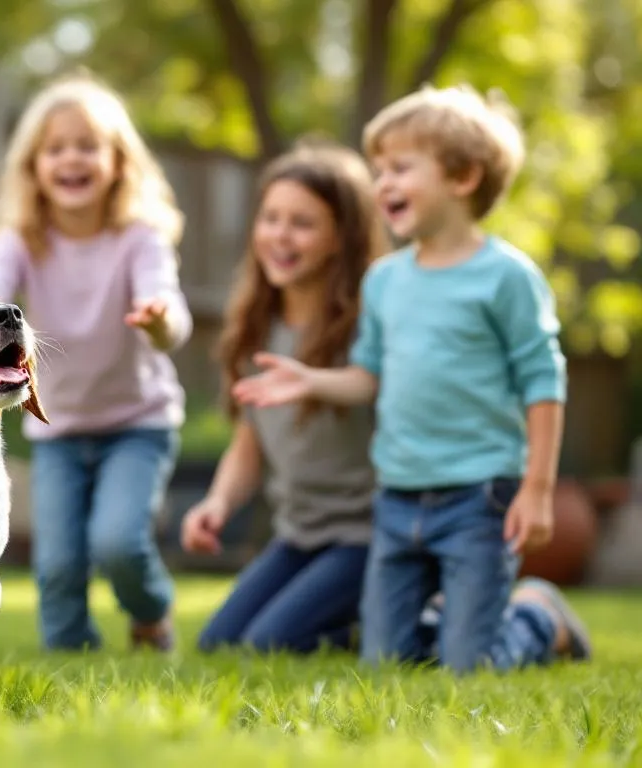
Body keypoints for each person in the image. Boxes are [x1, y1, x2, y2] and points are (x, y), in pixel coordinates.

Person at [232, 83, 591, 672]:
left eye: (401, 167)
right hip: (396, 500)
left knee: (467, 669)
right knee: (387, 664)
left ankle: (537, 620)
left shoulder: (506, 277)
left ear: (463, 177)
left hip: (480, 499)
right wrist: (314, 380)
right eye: (379, 170)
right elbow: (367, 377)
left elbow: (543, 383)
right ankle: (469, 623)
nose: (384, 184)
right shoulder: (385, 281)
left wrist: (538, 488)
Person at [0, 71, 193, 652]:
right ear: (34, 167)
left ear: (117, 162)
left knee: (119, 544)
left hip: (138, 423)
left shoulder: (139, 237)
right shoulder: (20, 240)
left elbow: (172, 314)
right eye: (56, 149)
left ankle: (151, 613)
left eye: (87, 146)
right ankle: (72, 659)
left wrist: (159, 320)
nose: (71, 159)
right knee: (57, 566)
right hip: (59, 430)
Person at [180, 140, 390, 654]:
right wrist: (219, 502)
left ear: (343, 237)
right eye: (271, 217)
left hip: (368, 537)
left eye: (303, 223)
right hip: (299, 535)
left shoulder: (368, 326)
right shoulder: (257, 326)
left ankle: (438, 618)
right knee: (219, 645)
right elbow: (249, 440)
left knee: (270, 643)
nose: (280, 234)